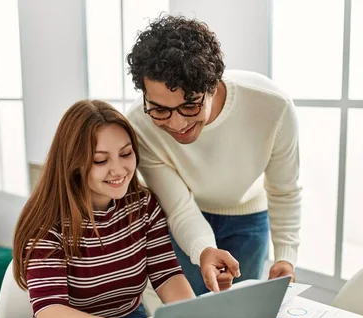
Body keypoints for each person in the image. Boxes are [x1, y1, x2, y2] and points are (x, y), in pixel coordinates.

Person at [125, 15, 302, 296]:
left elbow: (285, 189)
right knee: (192, 311)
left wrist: (285, 256)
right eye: (160, 110)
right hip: (185, 216)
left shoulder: (272, 105)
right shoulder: (138, 122)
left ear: (214, 85)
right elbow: (179, 206)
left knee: (242, 313)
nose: (176, 124)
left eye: (190, 106)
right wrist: (204, 248)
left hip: (248, 216)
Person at [12, 99, 194, 318]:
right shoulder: (47, 224)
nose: (118, 169)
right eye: (100, 160)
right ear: (73, 163)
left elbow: (166, 274)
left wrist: (193, 317)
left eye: (125, 154)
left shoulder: (143, 206)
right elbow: (51, 313)